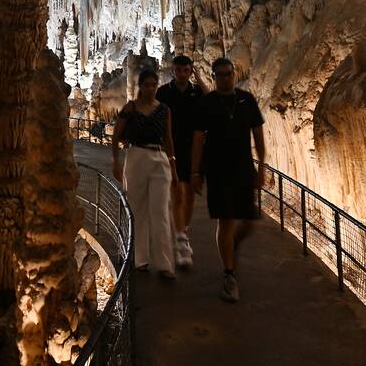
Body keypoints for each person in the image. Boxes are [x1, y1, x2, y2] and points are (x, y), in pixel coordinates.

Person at [190, 56, 266, 302]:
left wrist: (262, 166)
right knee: (226, 220)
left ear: (234, 74)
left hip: (244, 167)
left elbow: (258, 134)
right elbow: (198, 139)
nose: (225, 77)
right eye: (220, 74)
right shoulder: (207, 103)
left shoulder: (246, 100)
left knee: (250, 221)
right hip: (217, 169)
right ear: (213, 77)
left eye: (228, 73)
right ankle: (229, 275)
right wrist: (195, 173)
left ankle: (231, 245)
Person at [112, 68, 177, 279]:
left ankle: (165, 265)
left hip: (158, 158)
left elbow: (168, 139)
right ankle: (139, 259)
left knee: (160, 212)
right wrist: (115, 162)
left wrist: (173, 166)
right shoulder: (130, 108)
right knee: (137, 209)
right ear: (140, 86)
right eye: (147, 85)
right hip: (136, 156)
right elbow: (116, 135)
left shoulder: (164, 110)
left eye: (153, 85)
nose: (150, 89)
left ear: (156, 86)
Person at [156, 54, 203, 268]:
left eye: (186, 70)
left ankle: (183, 229)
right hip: (170, 148)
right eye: (178, 70)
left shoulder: (197, 93)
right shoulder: (164, 93)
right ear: (172, 71)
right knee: (176, 191)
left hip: (193, 150)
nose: (182, 74)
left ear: (190, 72)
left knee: (190, 193)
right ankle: (180, 238)